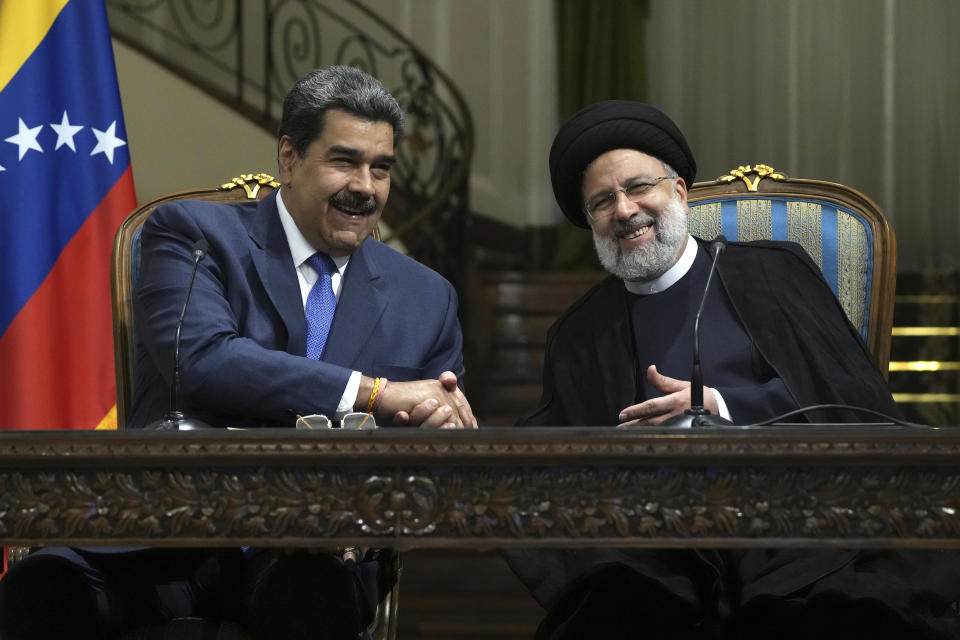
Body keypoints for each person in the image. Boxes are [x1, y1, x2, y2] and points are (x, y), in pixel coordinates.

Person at [0, 65, 476, 640]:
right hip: (169, 531)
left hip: (315, 550)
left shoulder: (426, 297)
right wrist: (375, 392)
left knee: (313, 596)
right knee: (45, 586)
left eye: (381, 168)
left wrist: (428, 438)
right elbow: (201, 361)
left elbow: (425, 451)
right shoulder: (193, 235)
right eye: (345, 161)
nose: (366, 187)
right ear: (290, 158)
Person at [505, 100, 960, 639]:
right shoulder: (578, 334)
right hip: (662, 562)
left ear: (678, 192)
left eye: (637, 187)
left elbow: (855, 405)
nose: (624, 210)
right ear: (589, 222)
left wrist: (720, 410)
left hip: (802, 531)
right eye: (602, 201)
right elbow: (556, 458)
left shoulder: (773, 272)